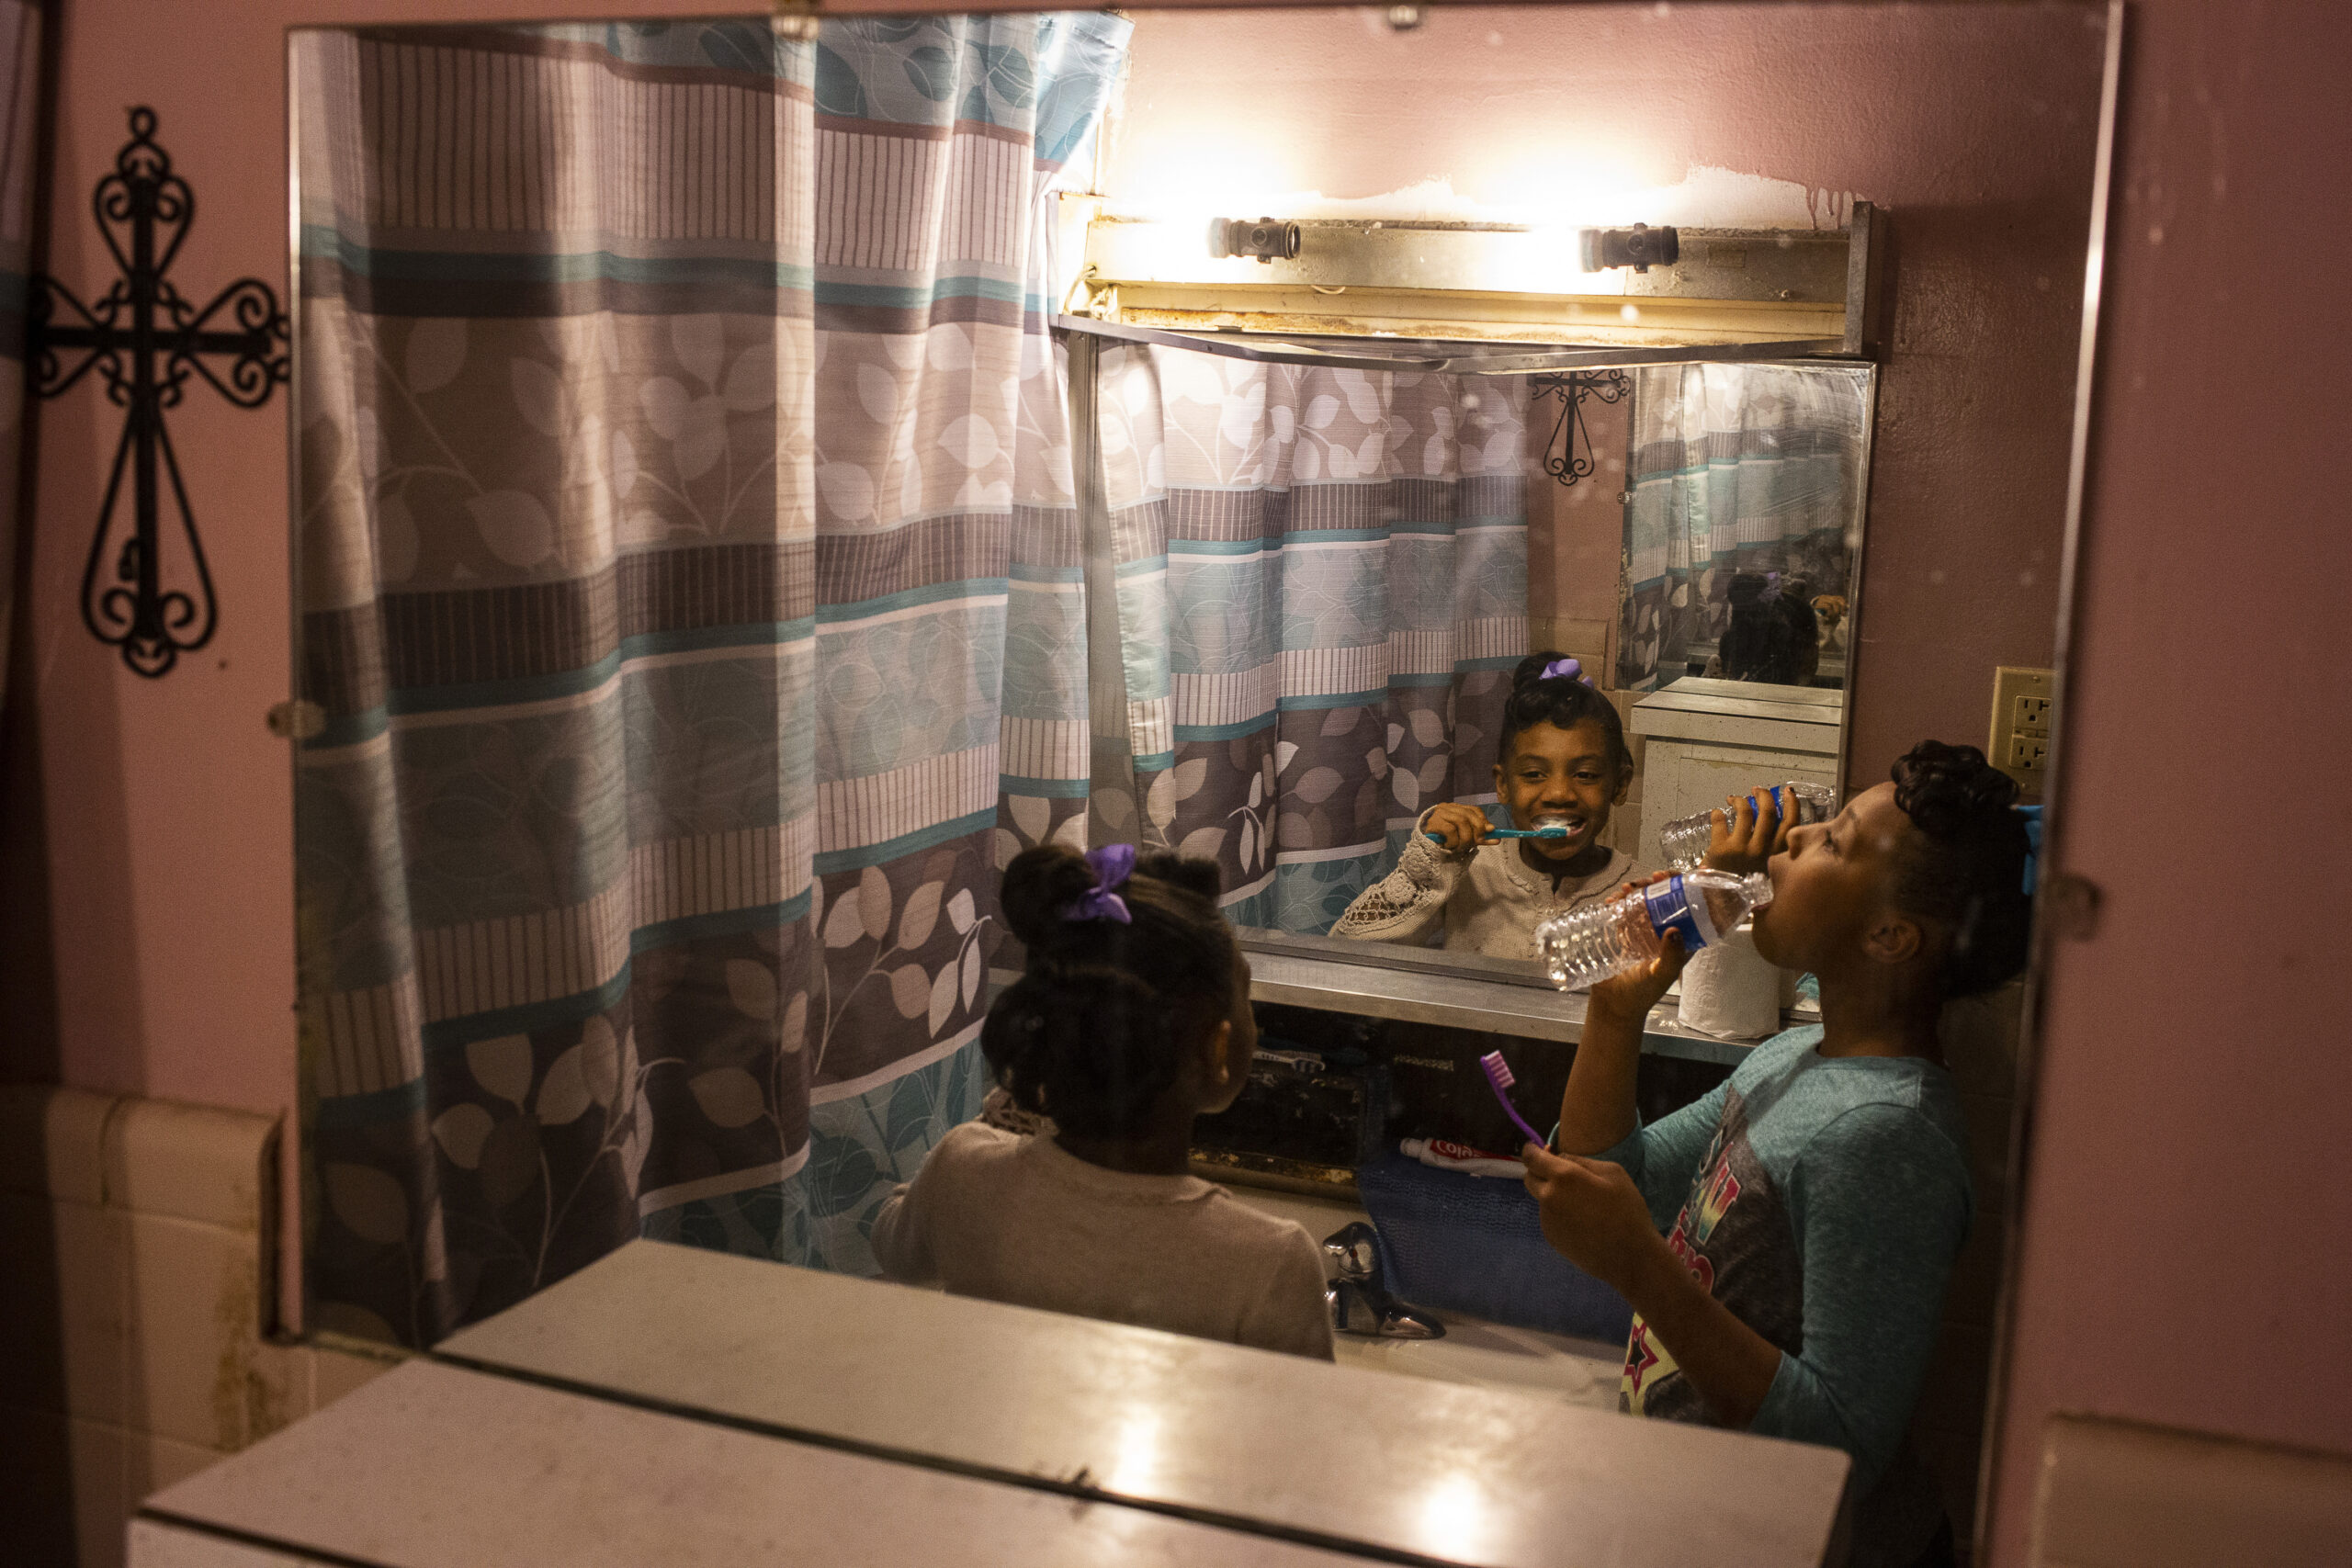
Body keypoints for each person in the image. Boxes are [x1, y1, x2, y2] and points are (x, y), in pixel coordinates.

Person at [1519, 740, 2033, 1568]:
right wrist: (1615, 1014)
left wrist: (1641, 1268)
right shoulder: (1795, 1060)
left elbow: (1842, 1447)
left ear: (1890, 935)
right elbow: (1621, 1182)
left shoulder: (1886, 1132)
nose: (1791, 837)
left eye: (1834, 841)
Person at [870, 842, 1336, 1361]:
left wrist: (997, 1130)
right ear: (1217, 1048)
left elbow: (893, 1245)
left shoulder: (962, 1172)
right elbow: (1301, 1433)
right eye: (1246, 996)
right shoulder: (1269, 1263)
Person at [1329, 652, 1655, 960]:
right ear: (1503, 785)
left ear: (1620, 784)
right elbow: (1344, 952)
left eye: (1585, 774)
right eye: (1533, 774)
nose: (1558, 793)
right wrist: (1427, 868)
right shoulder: (1468, 872)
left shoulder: (1647, 895)